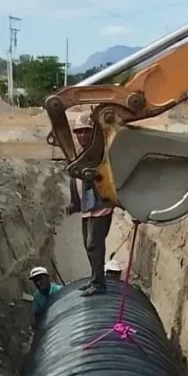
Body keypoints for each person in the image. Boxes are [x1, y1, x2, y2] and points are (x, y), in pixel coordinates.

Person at [68, 113, 116, 297]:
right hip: (87, 208)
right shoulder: (80, 153)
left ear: (94, 132)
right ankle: (94, 279)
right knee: (88, 245)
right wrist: (75, 203)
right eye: (79, 132)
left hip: (100, 206)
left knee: (94, 244)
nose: (82, 136)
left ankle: (99, 283)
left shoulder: (101, 152)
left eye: (86, 132)